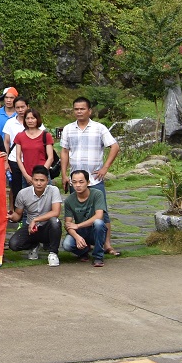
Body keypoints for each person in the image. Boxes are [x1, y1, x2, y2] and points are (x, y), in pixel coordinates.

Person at [59, 97, 120, 256]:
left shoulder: (99, 128)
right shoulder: (68, 129)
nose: (79, 112)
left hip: (95, 179)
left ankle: (107, 245)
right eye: (76, 109)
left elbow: (114, 146)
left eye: (82, 109)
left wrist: (105, 167)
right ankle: (83, 242)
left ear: (89, 111)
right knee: (78, 211)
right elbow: (64, 151)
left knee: (102, 213)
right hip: (76, 180)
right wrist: (64, 174)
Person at [8, 166, 62, 266]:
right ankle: (34, 245)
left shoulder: (54, 190)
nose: (38, 183)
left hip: (47, 227)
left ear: (47, 181)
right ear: (31, 180)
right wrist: (11, 216)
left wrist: (36, 220)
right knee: (13, 244)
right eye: (36, 180)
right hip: (31, 228)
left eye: (42, 180)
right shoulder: (23, 193)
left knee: (55, 221)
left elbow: (56, 212)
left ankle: (53, 253)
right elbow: (18, 215)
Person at [62, 169, 108, 266]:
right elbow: (68, 224)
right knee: (67, 245)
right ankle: (84, 251)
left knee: (99, 223)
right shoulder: (69, 200)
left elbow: (99, 216)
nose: (78, 185)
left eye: (81, 182)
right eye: (74, 182)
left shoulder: (97, 194)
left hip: (94, 230)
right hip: (81, 232)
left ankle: (98, 257)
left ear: (88, 182)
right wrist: (77, 237)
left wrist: (78, 225)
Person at [9, 108, 56, 199]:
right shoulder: (20, 136)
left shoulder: (46, 135)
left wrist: (41, 174)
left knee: (46, 200)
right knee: (27, 201)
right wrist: (26, 175)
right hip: (27, 174)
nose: (30, 121)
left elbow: (50, 157)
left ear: (37, 119)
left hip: (43, 173)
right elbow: (18, 157)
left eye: (33, 118)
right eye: (27, 118)